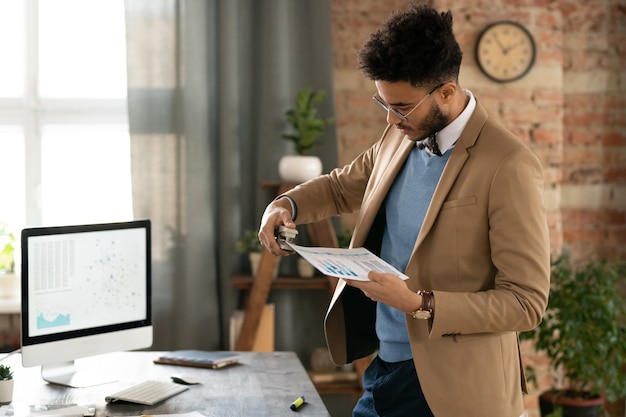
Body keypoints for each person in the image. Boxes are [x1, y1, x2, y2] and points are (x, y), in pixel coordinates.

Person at [258, 3, 550, 416]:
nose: (392, 119)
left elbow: (526, 302)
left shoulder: (508, 165)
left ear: (446, 92)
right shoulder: (402, 132)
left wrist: (419, 302)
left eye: (401, 107)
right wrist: (285, 204)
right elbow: (343, 186)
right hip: (384, 368)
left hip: (455, 389)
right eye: (384, 104)